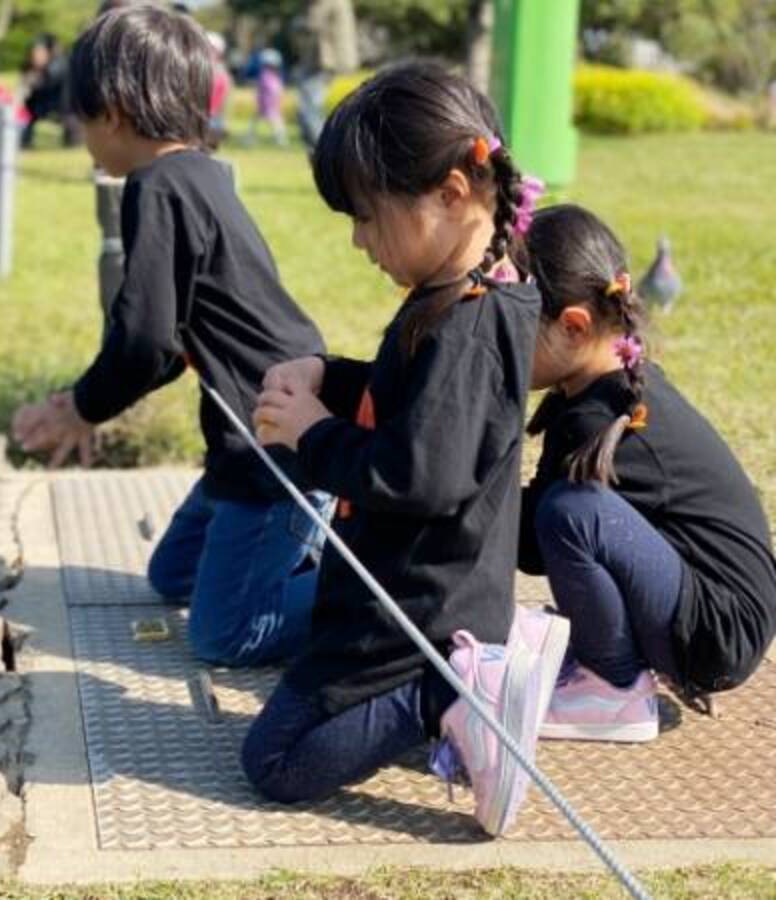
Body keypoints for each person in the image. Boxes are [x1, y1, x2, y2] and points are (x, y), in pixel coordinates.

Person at [241, 61, 565, 837]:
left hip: (417, 614)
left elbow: (416, 472)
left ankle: (454, 696)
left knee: (277, 759)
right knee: (296, 697)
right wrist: (328, 374)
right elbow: (415, 402)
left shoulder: (469, 324)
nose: (358, 240)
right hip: (420, 592)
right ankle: (465, 680)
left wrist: (312, 432)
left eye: (366, 216)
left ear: (452, 194)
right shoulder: (470, 291)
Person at [12, 5, 328, 668]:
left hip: (270, 449)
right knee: (170, 578)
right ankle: (310, 536)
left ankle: (379, 595)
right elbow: (168, 348)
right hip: (257, 434)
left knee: (225, 635)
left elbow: (143, 340)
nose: (82, 136)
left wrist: (79, 409)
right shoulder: (202, 173)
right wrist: (86, 398)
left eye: (83, 119)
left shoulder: (154, 187)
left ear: (118, 112)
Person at [517, 204, 776, 742]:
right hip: (712, 606)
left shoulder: (601, 416)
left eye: (515, 324)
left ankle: (610, 689)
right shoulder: (608, 385)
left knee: (572, 513)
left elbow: (532, 543)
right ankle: (617, 662)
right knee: (569, 511)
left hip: (718, 631)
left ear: (573, 326)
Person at [293, 0, 359, 150]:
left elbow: (312, 23)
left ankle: (322, 149)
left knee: (308, 109)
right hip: (333, 59)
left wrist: (296, 23)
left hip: (325, 60)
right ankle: (322, 148)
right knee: (312, 107)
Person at [248, 48, 288, 146]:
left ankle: (281, 141)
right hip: (266, 104)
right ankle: (250, 140)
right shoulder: (269, 76)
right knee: (260, 123)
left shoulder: (267, 76)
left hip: (269, 105)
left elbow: (274, 91)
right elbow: (276, 90)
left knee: (275, 124)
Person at [206, 32, 233, 148]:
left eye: (212, 48)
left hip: (215, 114)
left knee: (212, 145)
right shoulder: (198, 68)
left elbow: (226, 95)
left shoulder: (222, 71)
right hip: (201, 113)